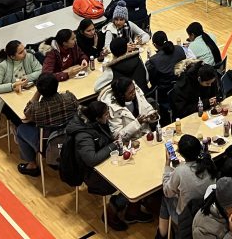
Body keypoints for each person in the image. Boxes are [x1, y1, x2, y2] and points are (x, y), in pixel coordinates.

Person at [67, 99, 150, 231]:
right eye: (106, 114)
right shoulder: (83, 136)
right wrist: (113, 145)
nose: (109, 116)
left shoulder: (96, 124)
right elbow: (92, 159)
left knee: (139, 171)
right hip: (93, 174)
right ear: (97, 117)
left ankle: (132, 210)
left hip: (108, 164)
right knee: (133, 181)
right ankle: (112, 210)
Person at [15, 72, 78, 176]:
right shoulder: (69, 97)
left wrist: (38, 92)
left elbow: (26, 113)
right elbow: (77, 108)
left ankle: (32, 164)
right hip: (72, 138)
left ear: (39, 89)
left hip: (47, 144)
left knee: (21, 129)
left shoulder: (37, 109)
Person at [159, 135, 218, 239]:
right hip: (210, 209)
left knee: (165, 197)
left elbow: (167, 191)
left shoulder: (180, 171)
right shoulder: (209, 162)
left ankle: (161, 235)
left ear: (180, 153)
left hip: (187, 217)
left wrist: (167, 164)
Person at [0, 39, 43, 130]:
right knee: (21, 117)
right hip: (7, 98)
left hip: (28, 92)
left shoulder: (29, 56)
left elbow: (40, 70)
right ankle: (17, 129)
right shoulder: (3, 65)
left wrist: (27, 78)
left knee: (37, 110)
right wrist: (13, 85)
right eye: (21, 52)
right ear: (12, 56)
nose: (25, 52)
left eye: (24, 49)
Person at [103, 75, 157, 140]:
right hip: (131, 143)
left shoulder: (136, 93)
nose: (134, 93)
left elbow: (148, 109)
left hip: (147, 135)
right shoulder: (113, 108)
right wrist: (137, 123)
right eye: (130, 92)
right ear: (121, 95)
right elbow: (117, 136)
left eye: (134, 89)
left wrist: (151, 117)